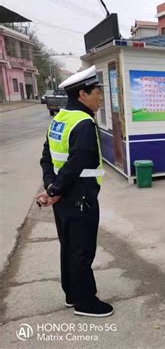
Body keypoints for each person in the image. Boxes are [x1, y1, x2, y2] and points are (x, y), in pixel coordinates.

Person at [37, 65, 113, 317]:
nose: (100, 97)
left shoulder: (59, 118)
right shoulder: (83, 123)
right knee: (82, 250)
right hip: (81, 197)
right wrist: (56, 188)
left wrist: (51, 187)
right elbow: (77, 162)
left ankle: (71, 293)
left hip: (64, 197)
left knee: (68, 246)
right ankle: (85, 302)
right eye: (96, 92)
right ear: (82, 94)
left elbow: (47, 158)